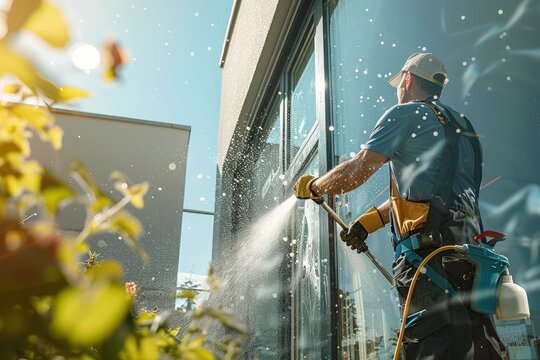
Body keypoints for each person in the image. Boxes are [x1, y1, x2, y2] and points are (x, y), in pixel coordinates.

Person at [294, 53, 507, 359]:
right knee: (478, 345)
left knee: (432, 346)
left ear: (407, 79)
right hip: (472, 262)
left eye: (399, 83)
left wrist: (316, 186)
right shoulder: (462, 126)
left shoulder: (405, 114)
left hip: (429, 261)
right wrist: (368, 223)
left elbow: (358, 170)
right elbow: (432, 195)